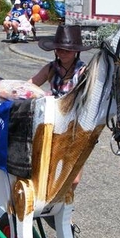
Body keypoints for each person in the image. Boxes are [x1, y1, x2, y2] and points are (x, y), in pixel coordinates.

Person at [29, 24, 92, 193]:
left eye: (67, 50)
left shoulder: (84, 72)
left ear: (76, 51)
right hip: (52, 125)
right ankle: (50, 203)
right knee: (48, 169)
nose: (62, 53)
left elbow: (90, 99)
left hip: (73, 128)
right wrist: (39, 95)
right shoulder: (51, 68)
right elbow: (31, 84)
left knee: (73, 176)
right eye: (59, 49)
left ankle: (65, 211)